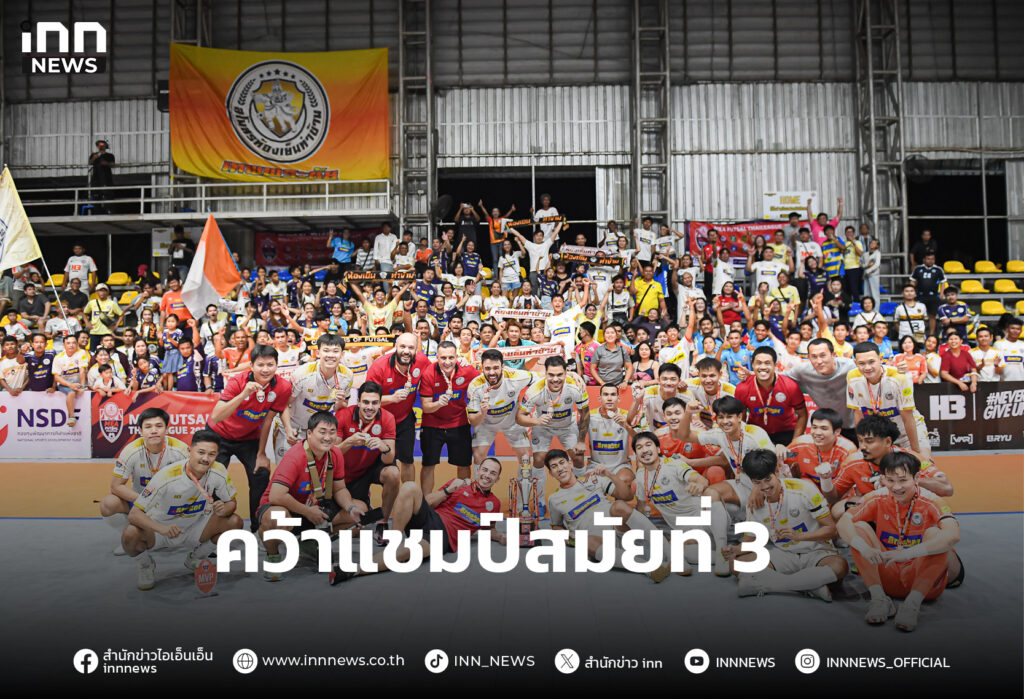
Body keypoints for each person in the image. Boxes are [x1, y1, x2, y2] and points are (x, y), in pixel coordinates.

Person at [329, 457, 505, 584]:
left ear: (497, 479)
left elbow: (488, 530)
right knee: (410, 486)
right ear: (477, 470)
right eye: (485, 470)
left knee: (408, 552)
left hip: (443, 537)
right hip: (430, 517)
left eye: (493, 473)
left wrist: (502, 537)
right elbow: (427, 502)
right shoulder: (458, 484)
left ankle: (352, 570)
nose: (487, 475)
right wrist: (448, 491)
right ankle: (395, 540)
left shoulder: (493, 504)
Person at [837, 451, 961, 631]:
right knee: (859, 528)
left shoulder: (932, 500)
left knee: (936, 535)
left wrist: (907, 554)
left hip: (922, 579)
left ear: (916, 478)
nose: (896, 487)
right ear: (883, 479)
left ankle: (912, 605)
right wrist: (863, 548)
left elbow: (952, 535)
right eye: (890, 480)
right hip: (887, 574)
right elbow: (843, 522)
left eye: (903, 480)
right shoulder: (876, 496)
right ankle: (879, 599)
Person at [670, 396, 780, 575]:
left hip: (767, 487)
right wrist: (688, 412)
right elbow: (684, 435)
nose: (725, 421)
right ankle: (721, 551)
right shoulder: (719, 434)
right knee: (709, 493)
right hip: (743, 485)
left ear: (740, 417)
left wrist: (757, 488)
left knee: (759, 541)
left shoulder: (755, 433)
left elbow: (771, 464)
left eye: (730, 417)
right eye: (720, 417)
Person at [122, 429, 243, 590]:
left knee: (235, 522)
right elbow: (134, 514)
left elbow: (231, 503)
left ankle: (197, 557)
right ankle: (145, 565)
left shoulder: (218, 470)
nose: (206, 459)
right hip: (161, 531)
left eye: (212, 454)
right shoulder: (165, 476)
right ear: (189, 451)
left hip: (195, 528)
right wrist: (161, 528)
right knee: (130, 534)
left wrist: (224, 508)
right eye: (201, 452)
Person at [729, 449, 847, 602]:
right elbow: (751, 540)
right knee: (736, 564)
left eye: (768, 479)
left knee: (840, 566)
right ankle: (808, 586)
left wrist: (799, 536)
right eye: (757, 482)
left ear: (777, 472)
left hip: (816, 551)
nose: (764, 487)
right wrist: (735, 550)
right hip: (783, 553)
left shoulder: (805, 489)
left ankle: (769, 585)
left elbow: (831, 530)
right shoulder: (754, 502)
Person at [256, 411, 360, 581]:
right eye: (322, 432)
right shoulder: (295, 456)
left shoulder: (335, 454)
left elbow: (340, 489)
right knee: (277, 517)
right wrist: (307, 512)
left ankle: (309, 542)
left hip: (313, 510)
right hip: (290, 511)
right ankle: (273, 555)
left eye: (332, 432)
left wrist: (350, 507)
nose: (328, 437)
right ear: (309, 433)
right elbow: (276, 496)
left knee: (359, 510)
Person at [544, 449, 670, 582]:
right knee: (584, 543)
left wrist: (610, 474)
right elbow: (556, 525)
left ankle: (667, 550)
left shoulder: (593, 479)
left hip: (621, 531)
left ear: (570, 464)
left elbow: (627, 496)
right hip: (599, 543)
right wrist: (564, 536)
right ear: (551, 473)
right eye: (554, 466)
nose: (560, 468)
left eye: (562, 463)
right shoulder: (554, 499)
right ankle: (648, 568)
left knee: (619, 506)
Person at [207, 344, 292, 531]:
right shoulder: (237, 382)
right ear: (251, 366)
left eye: (270, 364)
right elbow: (217, 416)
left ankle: (258, 527)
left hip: (248, 438)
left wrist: (261, 453)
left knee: (261, 473)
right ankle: (214, 528)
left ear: (277, 365)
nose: (265, 369)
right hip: (219, 434)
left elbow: (268, 420)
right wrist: (244, 393)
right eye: (260, 365)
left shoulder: (283, 387)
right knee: (212, 479)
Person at [99, 408, 190, 554]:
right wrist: (145, 500)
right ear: (140, 431)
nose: (154, 431)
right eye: (148, 427)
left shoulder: (181, 451)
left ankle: (184, 536)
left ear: (167, 429)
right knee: (108, 503)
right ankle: (130, 538)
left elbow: (196, 483)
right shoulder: (130, 451)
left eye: (159, 426)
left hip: (172, 503)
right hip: (140, 501)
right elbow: (115, 486)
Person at [848, 342, 930, 457]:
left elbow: (907, 417)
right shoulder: (852, 377)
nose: (867, 367)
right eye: (861, 363)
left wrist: (916, 452)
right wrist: (862, 444)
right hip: (879, 434)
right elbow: (858, 414)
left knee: (924, 462)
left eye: (871, 362)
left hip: (908, 432)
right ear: (855, 363)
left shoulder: (900, 377)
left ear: (881, 359)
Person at [418, 341, 479, 493]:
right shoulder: (428, 373)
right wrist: (438, 403)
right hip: (432, 425)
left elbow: (483, 382)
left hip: (459, 423)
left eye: (451, 358)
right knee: (428, 464)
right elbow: (426, 407)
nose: (447, 362)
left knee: (464, 464)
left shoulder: (467, 370)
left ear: (457, 357)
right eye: (443, 358)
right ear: (437, 357)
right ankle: (426, 501)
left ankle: (464, 498)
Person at [335, 380, 400, 525]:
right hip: (347, 474)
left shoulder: (388, 418)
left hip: (371, 469)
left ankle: (383, 522)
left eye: (374, 403)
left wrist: (383, 446)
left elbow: (389, 460)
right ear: (358, 402)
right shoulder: (343, 415)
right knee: (356, 525)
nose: (370, 407)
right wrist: (349, 442)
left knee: (393, 473)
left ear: (380, 403)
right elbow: (331, 455)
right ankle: (363, 503)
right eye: (365, 402)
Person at [517, 355, 590, 478]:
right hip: (543, 426)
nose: (555, 379)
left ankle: (581, 488)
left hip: (567, 426)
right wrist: (536, 421)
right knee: (538, 459)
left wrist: (581, 441)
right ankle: (538, 491)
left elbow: (585, 413)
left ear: (566, 373)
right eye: (551, 375)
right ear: (545, 373)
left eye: (559, 375)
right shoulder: (534, 390)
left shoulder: (576, 386)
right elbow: (519, 417)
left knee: (578, 457)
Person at [784, 337, 858, 441]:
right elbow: (778, 378)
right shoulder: (803, 371)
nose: (819, 361)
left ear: (833, 355)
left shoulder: (850, 366)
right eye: (814, 357)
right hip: (827, 428)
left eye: (823, 355)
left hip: (855, 426)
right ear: (808, 358)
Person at [734, 346, 807, 445]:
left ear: (775, 365)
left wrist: (794, 443)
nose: (763, 367)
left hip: (787, 432)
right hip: (756, 432)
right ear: (752, 365)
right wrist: (742, 441)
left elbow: (802, 415)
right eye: (758, 363)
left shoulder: (790, 386)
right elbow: (740, 418)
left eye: (767, 363)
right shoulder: (742, 388)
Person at [782, 408, 857, 488]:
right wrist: (779, 449)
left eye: (824, 428)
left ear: (837, 432)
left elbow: (852, 482)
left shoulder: (848, 450)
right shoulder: (800, 444)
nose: (817, 433)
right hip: (808, 492)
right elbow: (783, 459)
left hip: (838, 492)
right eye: (814, 427)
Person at [51, 334, 89, 427]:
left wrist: (82, 386)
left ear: (77, 344)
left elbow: (82, 371)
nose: (71, 345)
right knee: (71, 393)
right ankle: (71, 417)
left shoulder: (81, 353)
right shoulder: (58, 358)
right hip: (65, 384)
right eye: (68, 343)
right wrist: (70, 385)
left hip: (78, 382)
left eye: (73, 343)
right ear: (64, 345)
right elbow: (57, 377)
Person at [909, 252, 946, 335]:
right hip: (920, 296)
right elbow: (913, 281)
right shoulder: (918, 269)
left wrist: (941, 294)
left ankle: (931, 334)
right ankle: (921, 334)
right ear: (924, 260)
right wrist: (912, 292)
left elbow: (943, 282)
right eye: (928, 259)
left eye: (932, 259)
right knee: (920, 316)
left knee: (932, 316)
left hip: (933, 296)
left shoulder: (938, 269)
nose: (930, 261)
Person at [88, 139, 116, 209]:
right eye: (98, 145)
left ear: (105, 146)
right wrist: (94, 158)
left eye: (102, 145)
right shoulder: (94, 155)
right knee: (96, 197)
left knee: (108, 197)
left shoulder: (110, 155)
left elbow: (113, 164)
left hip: (107, 179)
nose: (100, 146)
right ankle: (97, 211)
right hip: (96, 180)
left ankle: (109, 210)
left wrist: (107, 163)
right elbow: (90, 163)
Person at [994, 317, 1024, 381]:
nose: (1015, 331)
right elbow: (996, 365)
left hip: (1021, 382)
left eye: (1018, 329)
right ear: (1007, 330)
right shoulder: (998, 344)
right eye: (1012, 328)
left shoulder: (1022, 344)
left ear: (1021, 331)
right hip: (1004, 382)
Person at [862, 237, 881, 303]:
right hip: (866, 275)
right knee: (866, 293)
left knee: (875, 294)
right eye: (871, 243)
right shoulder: (865, 254)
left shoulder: (877, 253)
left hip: (874, 275)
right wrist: (867, 265)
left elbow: (877, 264)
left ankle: (876, 308)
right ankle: (866, 307)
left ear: (877, 246)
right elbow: (862, 265)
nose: (872, 244)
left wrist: (868, 270)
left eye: (874, 243)